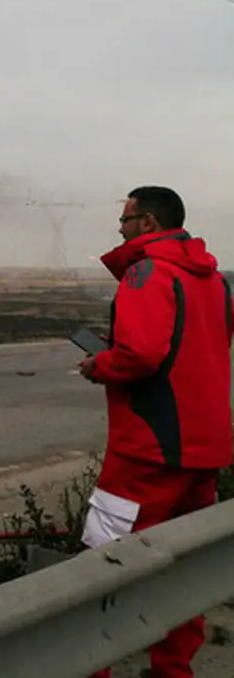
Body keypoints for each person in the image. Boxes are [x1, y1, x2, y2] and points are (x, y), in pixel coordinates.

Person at [78, 186, 233, 678]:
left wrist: (101, 362)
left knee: (101, 568)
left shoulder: (146, 272)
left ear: (147, 222)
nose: (120, 229)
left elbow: (143, 356)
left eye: (124, 220)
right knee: (184, 570)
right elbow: (190, 348)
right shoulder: (216, 281)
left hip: (146, 452)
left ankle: (91, 666)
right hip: (202, 451)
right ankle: (173, 669)